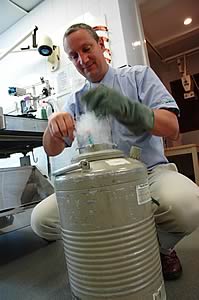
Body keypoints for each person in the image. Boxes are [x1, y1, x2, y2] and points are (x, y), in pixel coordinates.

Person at [31, 23, 199, 281]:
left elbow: (172, 127)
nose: (82, 59)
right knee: (41, 220)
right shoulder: (76, 100)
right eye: (74, 56)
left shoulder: (138, 77)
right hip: (95, 183)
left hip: (148, 173)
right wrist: (52, 127)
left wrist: (129, 109)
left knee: (187, 204)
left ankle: (159, 248)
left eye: (86, 49)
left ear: (101, 45)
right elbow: (51, 150)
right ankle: (109, 246)